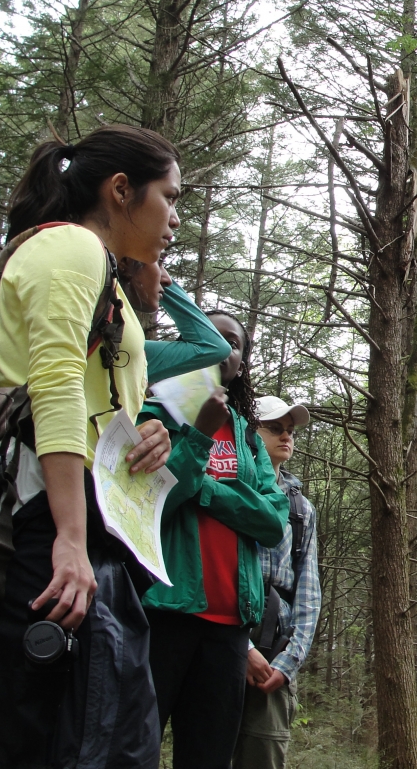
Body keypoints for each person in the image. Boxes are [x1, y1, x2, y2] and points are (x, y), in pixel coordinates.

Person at [0, 125, 180, 768]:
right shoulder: (69, 247)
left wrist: (145, 430)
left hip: (80, 526)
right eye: (170, 198)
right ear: (121, 190)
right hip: (27, 525)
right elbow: (55, 384)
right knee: (8, 728)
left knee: (91, 734)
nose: (176, 219)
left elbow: (96, 401)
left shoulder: (114, 286)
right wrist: (70, 538)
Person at [139, 309, 289, 769]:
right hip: (164, 616)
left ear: (240, 363)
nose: (225, 348)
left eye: (235, 342)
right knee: (133, 748)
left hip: (229, 631)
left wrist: (204, 488)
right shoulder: (151, 415)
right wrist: (199, 436)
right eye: (215, 338)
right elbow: (153, 499)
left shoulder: (247, 437)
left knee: (208, 758)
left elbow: (271, 521)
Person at [233, 395, 321, 769]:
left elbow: (308, 590)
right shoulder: (228, 484)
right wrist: (239, 647)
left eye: (290, 430)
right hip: (221, 636)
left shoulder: (301, 509)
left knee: (264, 754)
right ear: (251, 430)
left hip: (274, 649)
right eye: (274, 428)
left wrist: (288, 662)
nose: (286, 436)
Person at [118, 255, 232, 385]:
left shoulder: (126, 349)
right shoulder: (124, 348)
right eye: (159, 262)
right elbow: (212, 347)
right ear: (124, 263)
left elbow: (214, 347)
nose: (168, 280)